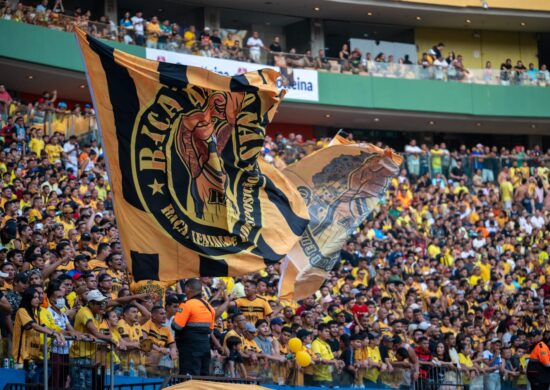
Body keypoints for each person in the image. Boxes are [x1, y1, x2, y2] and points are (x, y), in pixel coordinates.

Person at [13, 287, 64, 384]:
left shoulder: (36, 314)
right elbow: (34, 325)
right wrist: (54, 334)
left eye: (38, 297)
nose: (38, 299)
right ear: (28, 298)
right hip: (22, 358)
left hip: (33, 357)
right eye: (34, 297)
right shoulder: (22, 311)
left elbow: (45, 327)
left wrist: (58, 334)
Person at [172, 278, 215, 376]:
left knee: (189, 381)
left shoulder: (186, 305)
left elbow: (176, 326)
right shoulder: (209, 307)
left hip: (189, 350)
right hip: (205, 349)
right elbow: (210, 330)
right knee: (203, 379)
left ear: (187, 289)